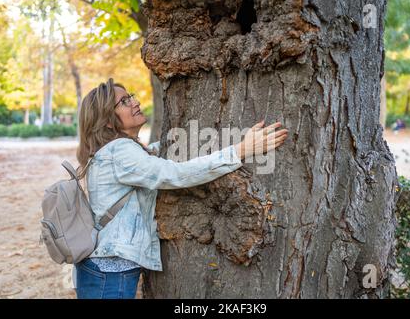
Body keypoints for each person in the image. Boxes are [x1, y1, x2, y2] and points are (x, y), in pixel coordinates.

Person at [74, 78, 289, 299]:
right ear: (108, 121)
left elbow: (162, 156)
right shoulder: (119, 152)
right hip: (108, 272)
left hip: (107, 269)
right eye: (124, 101)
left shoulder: (118, 152)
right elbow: (175, 174)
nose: (134, 102)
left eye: (130, 96)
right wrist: (241, 150)